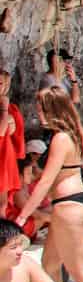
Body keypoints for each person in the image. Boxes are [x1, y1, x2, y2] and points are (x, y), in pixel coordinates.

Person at [17, 87, 83, 282]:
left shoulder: (60, 139)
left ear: (53, 110)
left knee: (80, 270)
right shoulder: (78, 133)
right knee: (50, 263)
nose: (38, 114)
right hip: (78, 199)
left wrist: (23, 215)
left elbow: (46, 182)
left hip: (68, 203)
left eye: (41, 110)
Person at [0, 70, 22, 212]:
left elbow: (14, 134)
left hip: (5, 158)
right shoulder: (6, 108)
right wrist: (3, 109)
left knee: (2, 205)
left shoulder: (11, 109)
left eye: (1, 83)